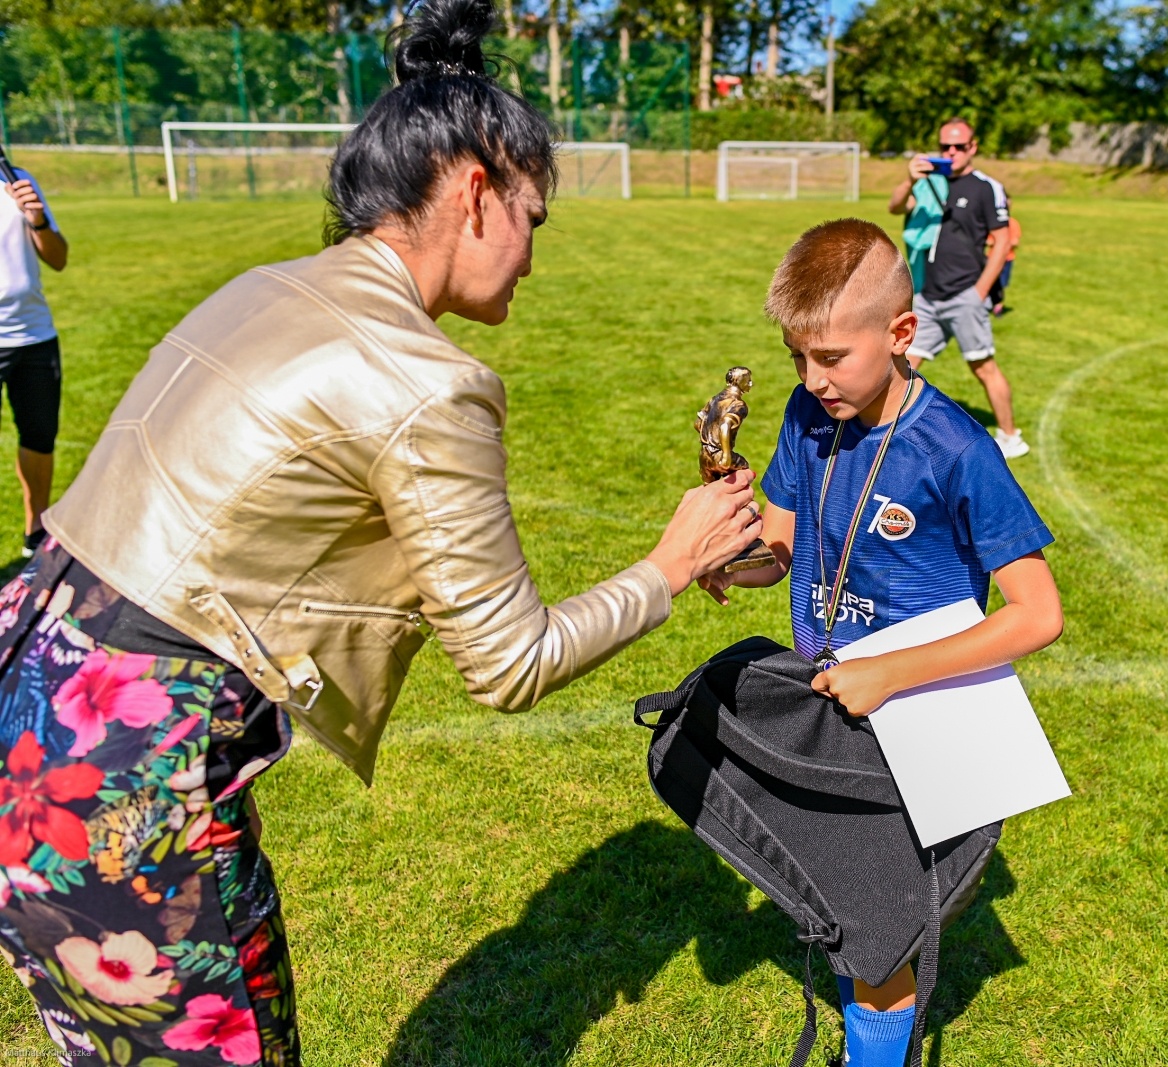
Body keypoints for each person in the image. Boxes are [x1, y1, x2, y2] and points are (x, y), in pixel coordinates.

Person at [0, 1, 761, 1062]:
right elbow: (508, 660)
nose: (533, 262)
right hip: (120, 780)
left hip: (27, 698)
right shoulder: (426, 379)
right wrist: (671, 563)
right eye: (534, 222)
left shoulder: (267, 286)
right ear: (475, 189)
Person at [702, 218, 1062, 1067]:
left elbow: (1037, 614)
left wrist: (889, 671)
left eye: (831, 358)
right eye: (797, 358)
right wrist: (732, 560)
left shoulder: (957, 449)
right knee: (847, 901)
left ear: (902, 334)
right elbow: (783, 550)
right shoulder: (805, 414)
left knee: (879, 934)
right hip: (833, 695)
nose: (812, 378)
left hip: (919, 714)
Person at [888, 118, 1028, 459]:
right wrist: (909, 179)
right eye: (945, 146)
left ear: (973, 147)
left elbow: (1003, 239)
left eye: (959, 147)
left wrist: (980, 290)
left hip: (965, 294)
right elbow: (894, 207)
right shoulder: (928, 182)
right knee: (901, 364)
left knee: (983, 367)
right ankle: (889, 433)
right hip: (927, 295)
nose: (951, 153)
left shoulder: (985, 187)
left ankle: (1011, 437)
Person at [0, 161, 68, 558]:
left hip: (34, 334)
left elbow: (58, 259)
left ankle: (35, 532)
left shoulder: (18, 178)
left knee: (40, 438)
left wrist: (36, 218)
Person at [988, 196, 1021, 316]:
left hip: (1007, 259)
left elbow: (1015, 242)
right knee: (990, 281)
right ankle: (990, 303)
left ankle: (998, 306)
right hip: (992, 257)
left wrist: (1002, 243)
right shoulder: (994, 222)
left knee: (1002, 283)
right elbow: (989, 241)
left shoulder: (1013, 223)